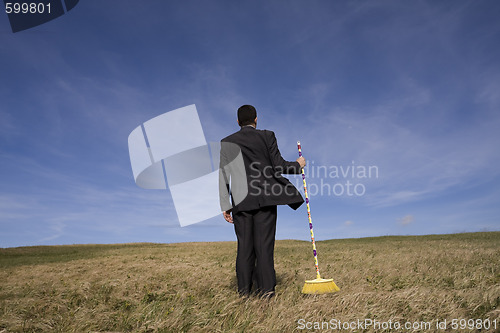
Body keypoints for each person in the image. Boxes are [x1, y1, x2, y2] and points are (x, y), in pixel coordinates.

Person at [218, 105, 306, 298]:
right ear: (256, 119)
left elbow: (223, 176)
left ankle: (244, 294)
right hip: (266, 198)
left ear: (238, 122)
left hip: (240, 202)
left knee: (244, 248)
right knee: (264, 247)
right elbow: (279, 166)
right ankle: (266, 293)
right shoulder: (267, 136)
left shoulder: (226, 142)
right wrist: (298, 166)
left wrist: (226, 205)